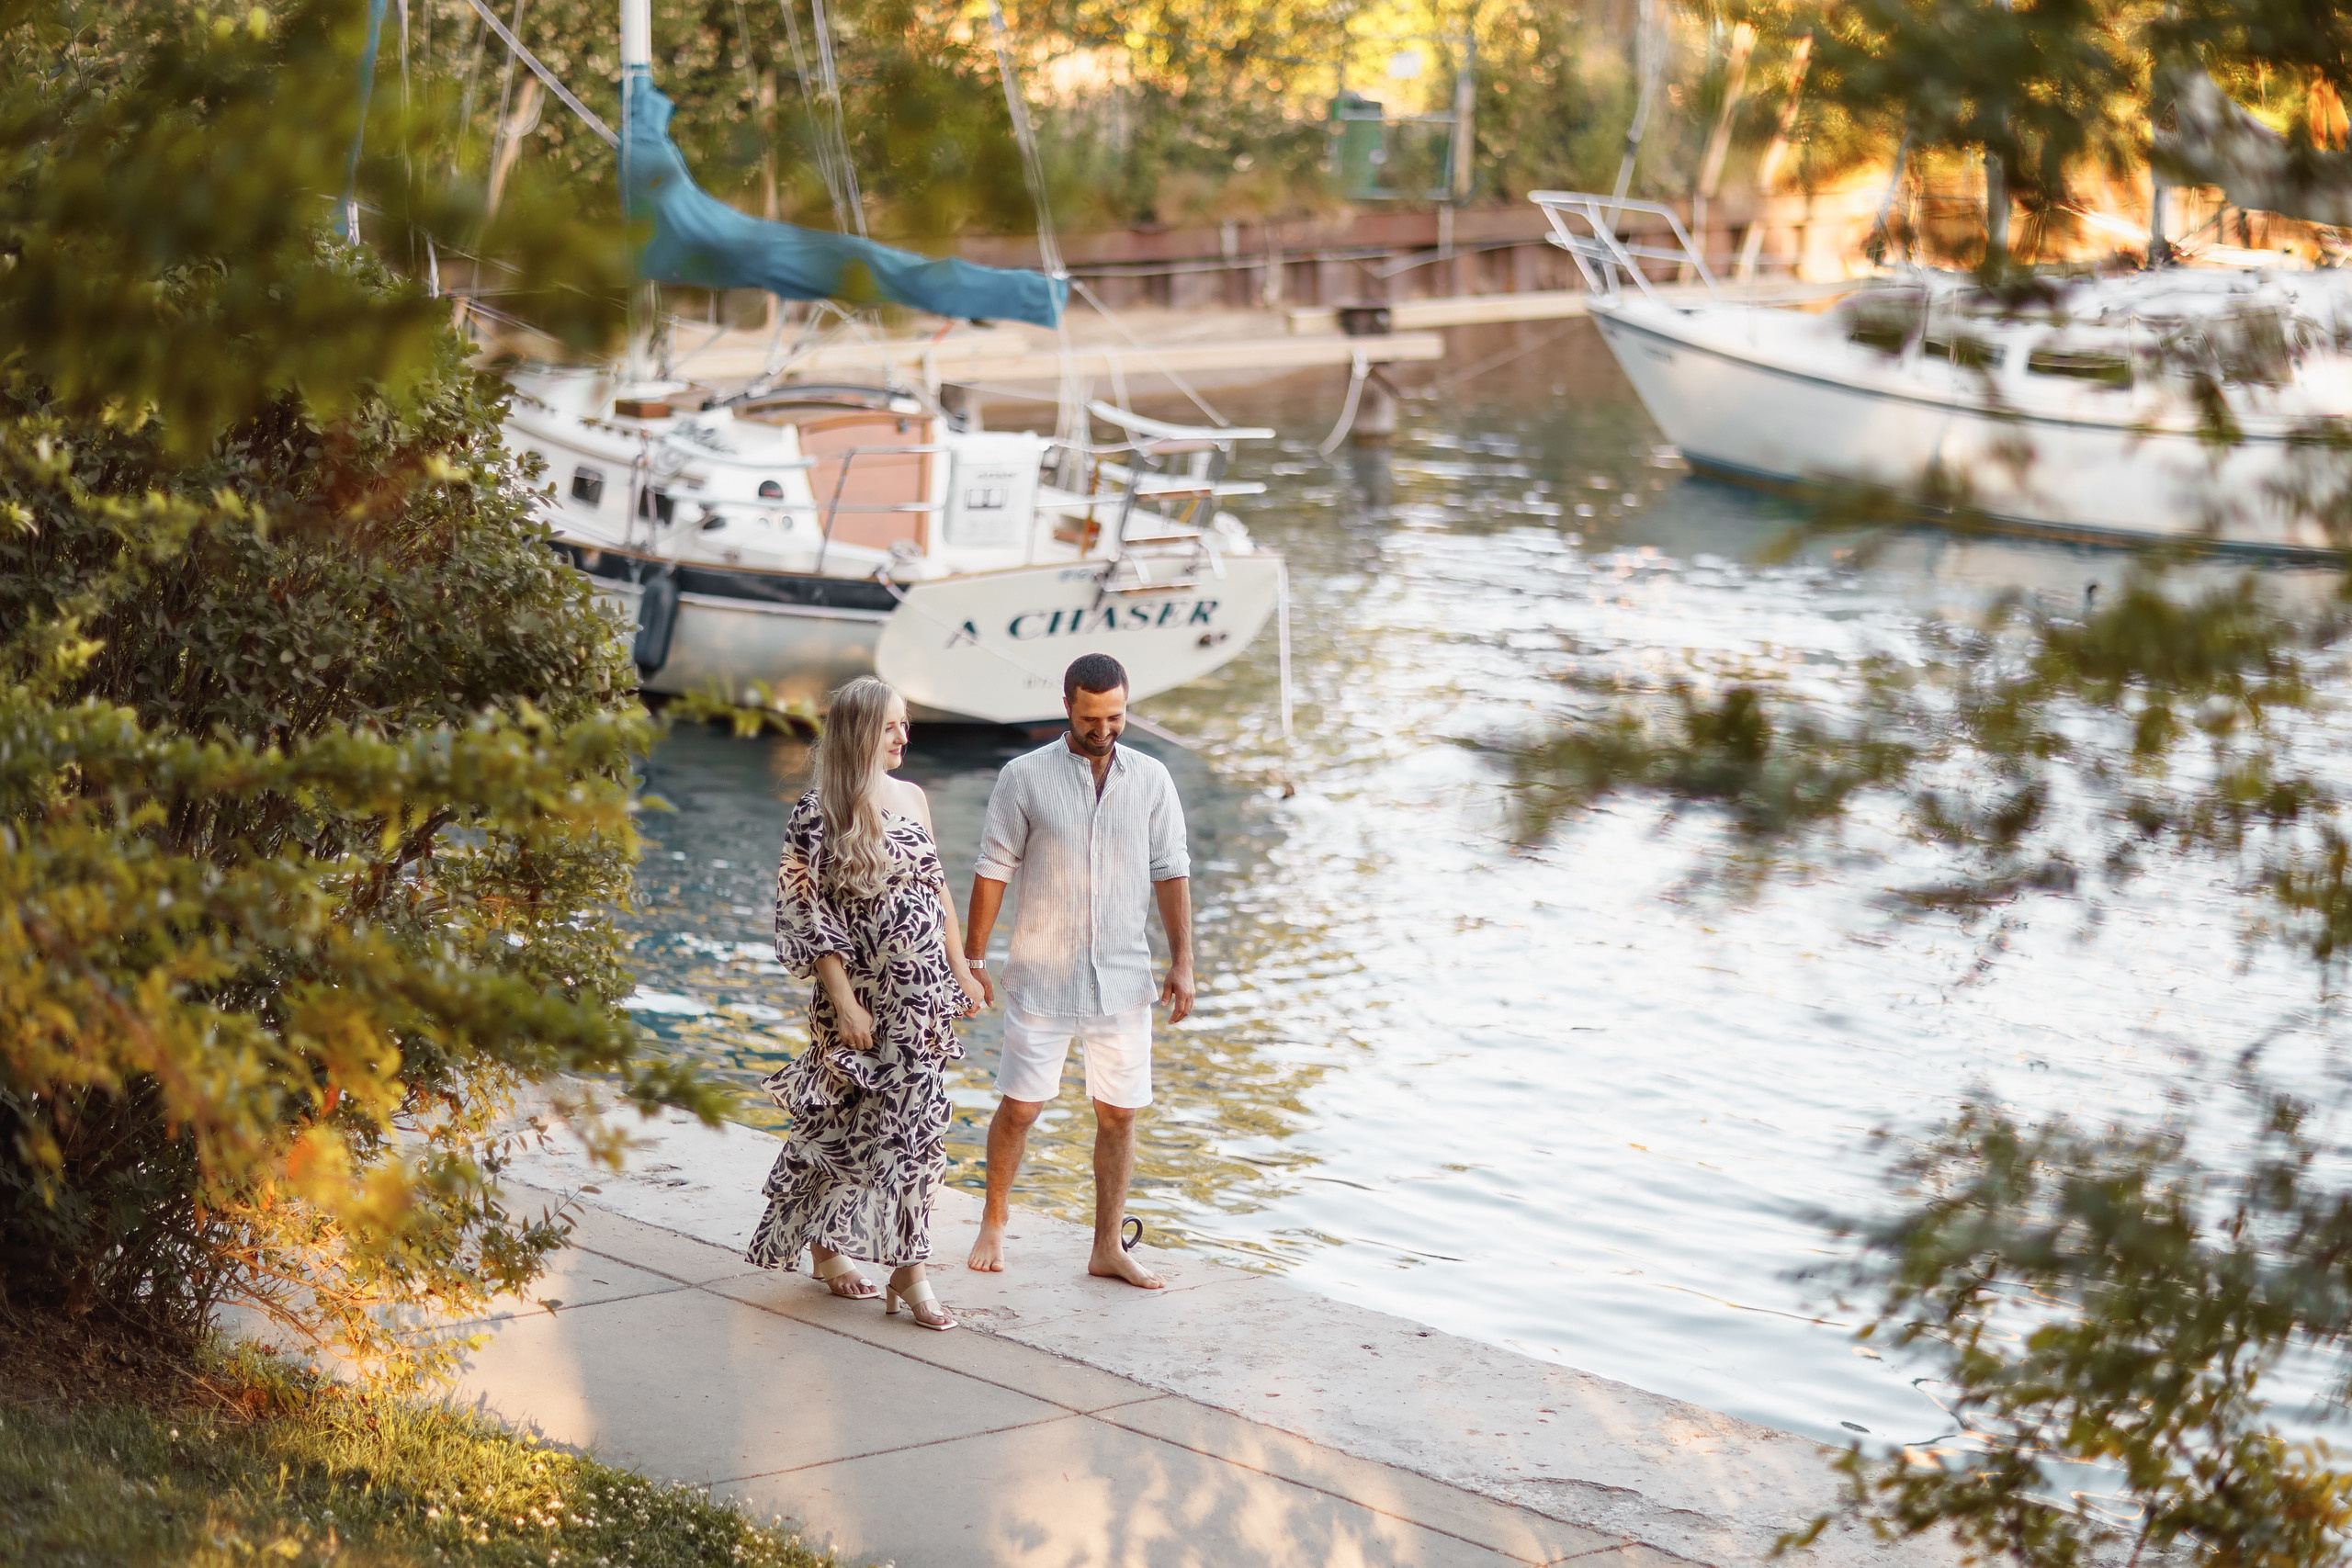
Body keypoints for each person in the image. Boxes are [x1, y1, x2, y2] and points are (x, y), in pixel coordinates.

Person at [744, 676, 986, 1329]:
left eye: (905, 724)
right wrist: (846, 1004)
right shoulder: (817, 810)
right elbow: (807, 913)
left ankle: (907, 1268)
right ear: (859, 733)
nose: (904, 735)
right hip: (861, 999)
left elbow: (938, 892)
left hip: (921, 997)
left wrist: (963, 970)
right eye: (890, 726)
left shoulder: (913, 796)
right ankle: (835, 1251)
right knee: (843, 1119)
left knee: (915, 1126)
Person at [962, 653, 1194, 1290]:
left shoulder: (1152, 779)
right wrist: (973, 960)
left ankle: (1107, 1247)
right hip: (1042, 976)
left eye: (1115, 716)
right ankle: (994, 1221)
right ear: (1067, 705)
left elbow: (1171, 870)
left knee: (1119, 1114)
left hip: (1122, 978)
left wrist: (1183, 962)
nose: (1104, 729)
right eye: (1091, 717)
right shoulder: (1023, 776)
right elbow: (992, 869)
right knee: (1021, 1106)